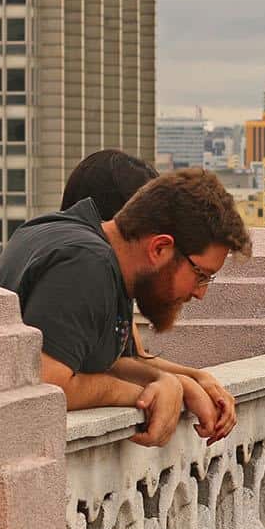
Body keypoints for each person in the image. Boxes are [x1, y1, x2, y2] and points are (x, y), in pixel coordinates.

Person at [0, 168, 251, 447]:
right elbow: (49, 384)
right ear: (160, 248)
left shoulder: (92, 250)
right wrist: (142, 394)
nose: (200, 293)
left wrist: (184, 380)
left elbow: (101, 359)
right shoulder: (86, 265)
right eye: (200, 275)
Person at [56, 150, 241, 447]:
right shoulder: (87, 269)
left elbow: (128, 358)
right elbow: (66, 379)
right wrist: (176, 384)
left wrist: (195, 378)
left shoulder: (105, 273)